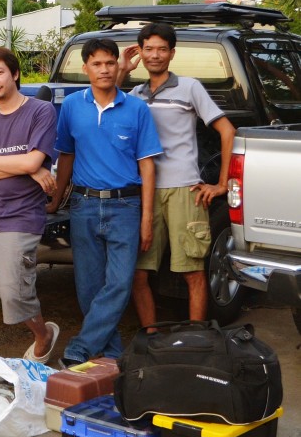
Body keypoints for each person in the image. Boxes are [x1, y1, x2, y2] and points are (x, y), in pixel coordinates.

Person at [47, 39, 162, 368]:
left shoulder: (137, 108)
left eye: (110, 63)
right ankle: (111, 354)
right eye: (97, 64)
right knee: (88, 286)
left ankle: (82, 347)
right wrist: (57, 199)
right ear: (85, 69)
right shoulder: (72, 106)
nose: (104, 70)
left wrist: (146, 218)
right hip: (84, 204)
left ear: (118, 66)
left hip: (126, 207)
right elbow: (66, 156)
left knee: (120, 282)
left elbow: (147, 165)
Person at [117, 23, 236, 325]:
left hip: (184, 189)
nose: (154, 55)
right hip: (145, 190)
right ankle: (151, 335)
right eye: (148, 49)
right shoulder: (134, 94)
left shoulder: (189, 87)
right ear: (140, 53)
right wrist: (122, 69)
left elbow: (227, 130)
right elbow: (108, 104)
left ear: (172, 53)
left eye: (161, 49)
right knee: (139, 272)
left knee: (193, 271)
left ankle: (197, 336)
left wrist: (221, 184)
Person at [0, 47, 60, 361]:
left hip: (20, 218)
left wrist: (22, 164)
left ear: (15, 74)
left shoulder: (41, 111)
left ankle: (44, 335)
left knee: (15, 293)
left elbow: (32, 161)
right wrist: (26, 166)